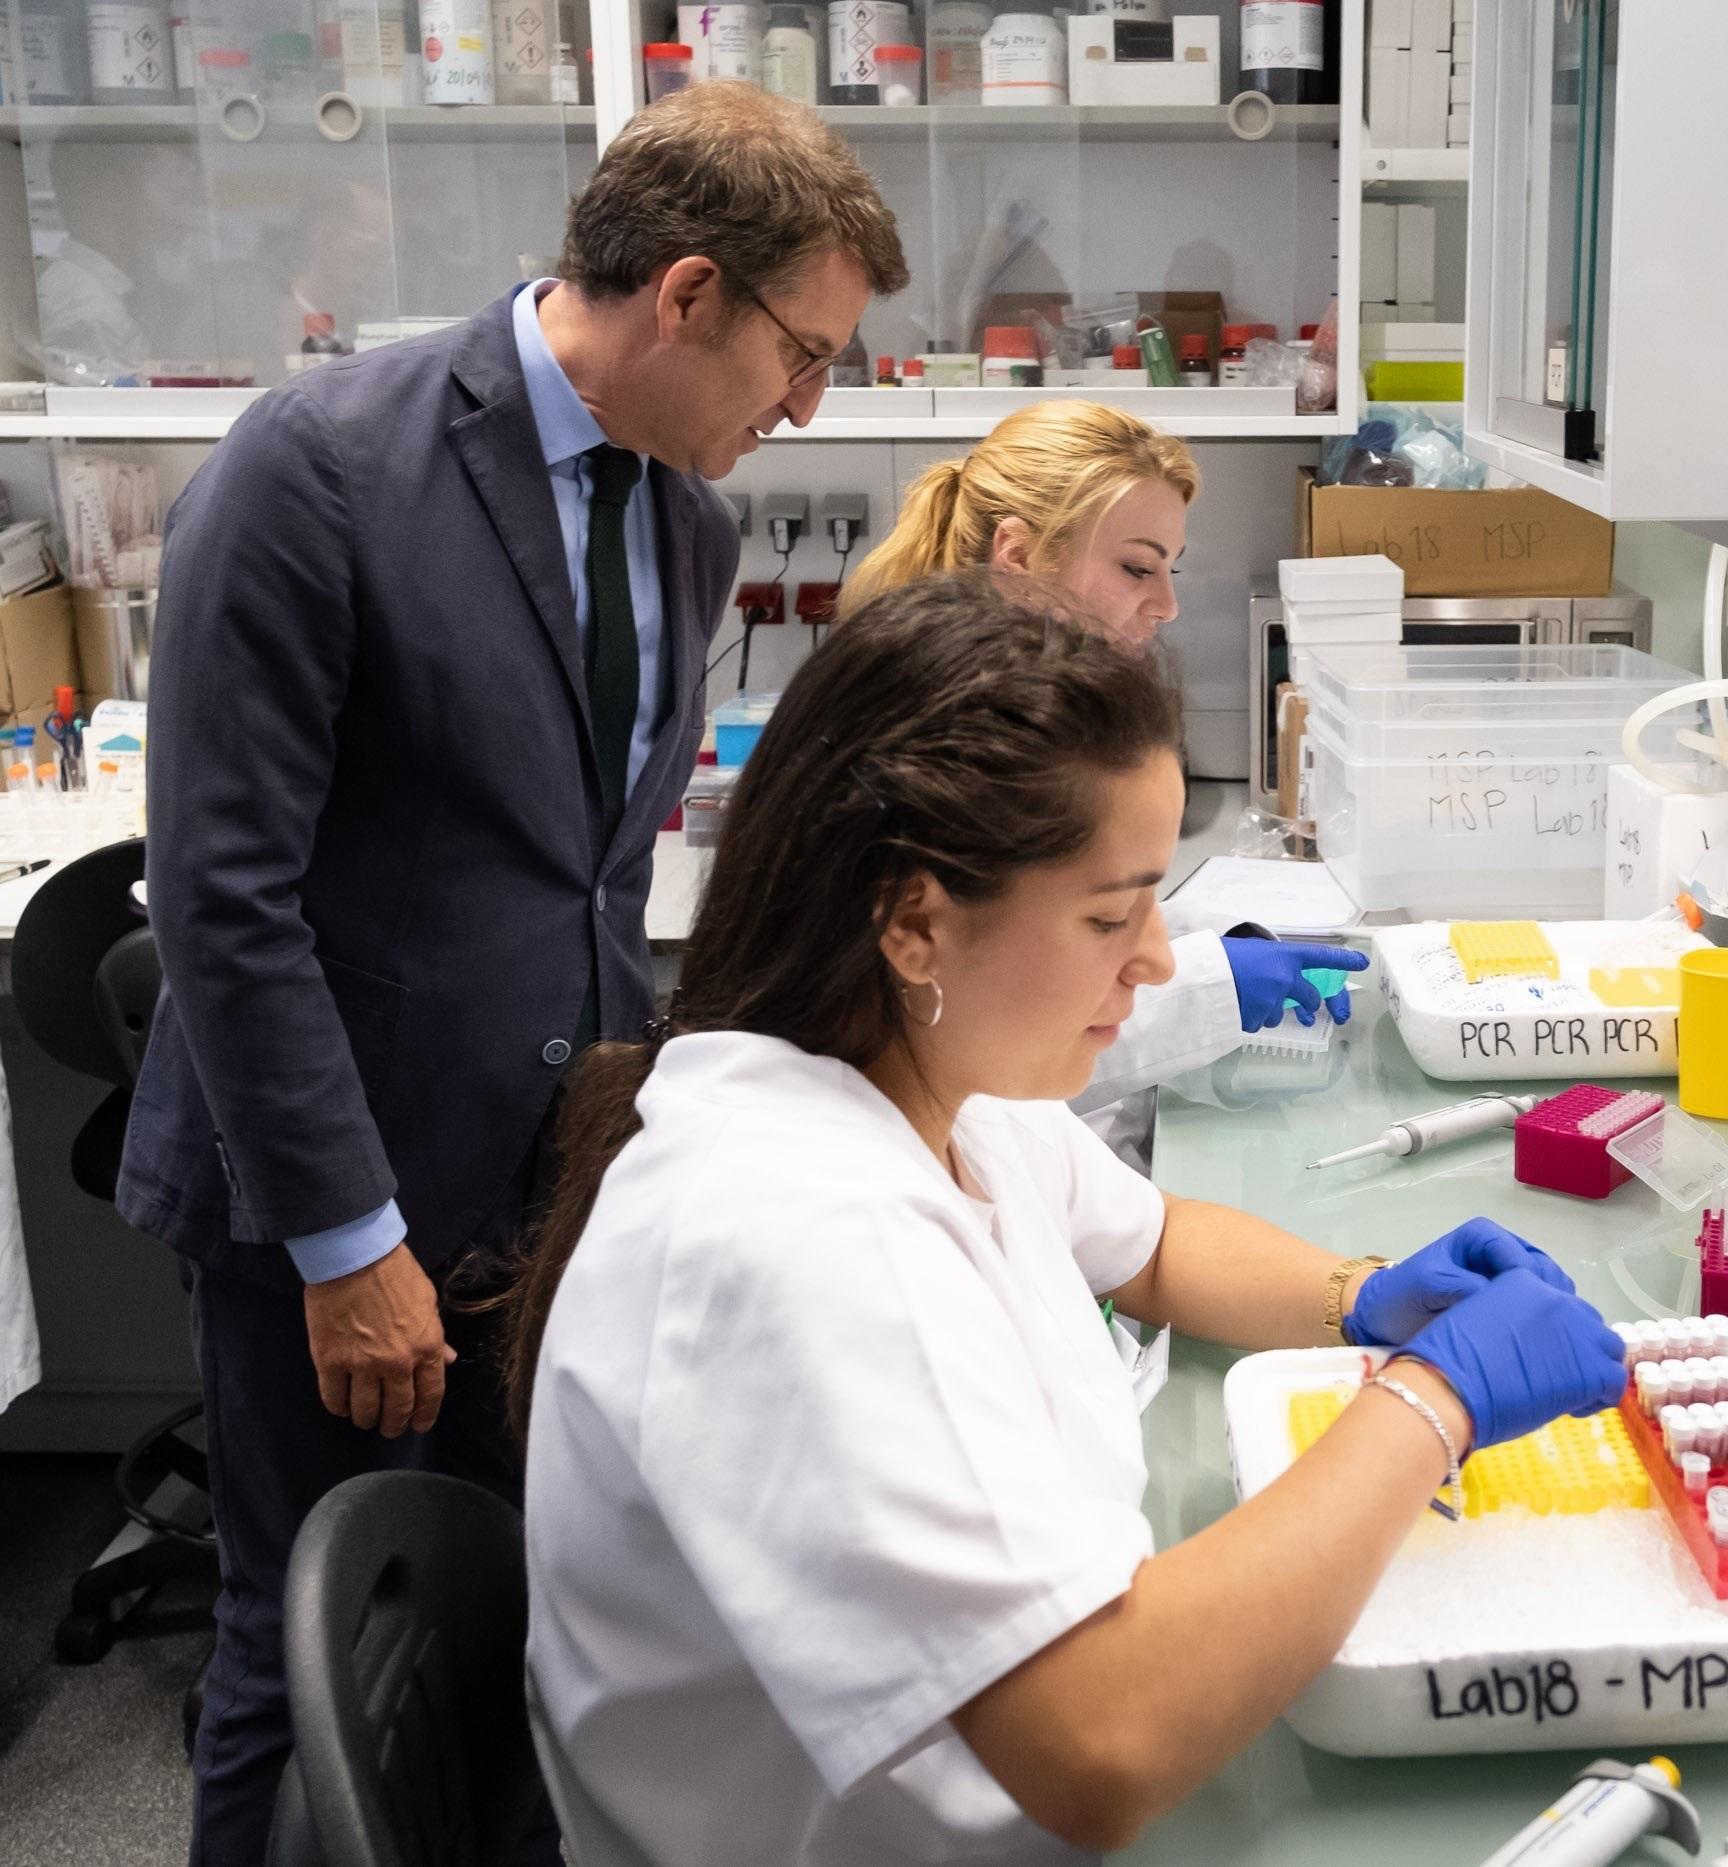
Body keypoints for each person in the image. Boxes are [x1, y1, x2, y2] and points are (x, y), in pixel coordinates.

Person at [513, 580, 1627, 1865]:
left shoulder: (935, 1085)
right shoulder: (796, 1232)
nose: (1156, 958)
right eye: (1111, 913)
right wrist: (1430, 1402)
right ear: (916, 920)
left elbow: (1151, 1244)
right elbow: (1102, 1741)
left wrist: (1362, 1297)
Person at [116, 83, 906, 1865]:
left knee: (507, 1632)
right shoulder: (318, 467)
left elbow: (585, 879)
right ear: (687, 293)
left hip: (542, 1191)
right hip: (337, 1202)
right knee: (297, 1641)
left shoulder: (686, 524)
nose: (807, 405)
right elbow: (226, 898)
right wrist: (345, 1245)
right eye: (802, 350)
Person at [850, 399, 1365, 1145]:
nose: (1166, 605)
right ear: (1019, 555)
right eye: (1136, 568)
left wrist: (1218, 940)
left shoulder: (1030, 718)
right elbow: (977, 1047)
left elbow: (1052, 932)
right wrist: (1210, 984)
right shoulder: (943, 752)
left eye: (1169, 570)